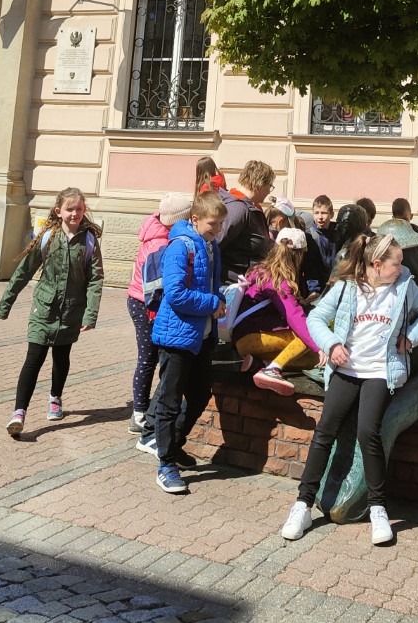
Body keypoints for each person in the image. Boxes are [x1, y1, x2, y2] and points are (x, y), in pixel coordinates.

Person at [280, 231, 418, 547]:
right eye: (396, 263)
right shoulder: (346, 287)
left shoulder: (404, 286)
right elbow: (316, 318)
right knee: (324, 431)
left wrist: (411, 338)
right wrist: (331, 343)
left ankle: (378, 509)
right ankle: (302, 505)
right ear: (377, 264)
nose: (401, 268)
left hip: (380, 372)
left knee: (369, 432)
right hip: (347, 370)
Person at [0, 188, 104, 438]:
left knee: (61, 357)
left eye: (79, 209)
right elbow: (24, 271)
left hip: (71, 311)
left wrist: (90, 314)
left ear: (84, 211)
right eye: (69, 209)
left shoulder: (89, 240)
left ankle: (55, 397)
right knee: (33, 359)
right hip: (43, 309)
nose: (75, 213)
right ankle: (19, 413)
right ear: (59, 211)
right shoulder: (48, 236)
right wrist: (6, 302)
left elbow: (95, 279)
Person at [145, 191, 227, 494]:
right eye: (213, 224)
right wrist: (212, 304)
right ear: (195, 219)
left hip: (202, 336)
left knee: (200, 394)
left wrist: (220, 298)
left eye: (220, 224)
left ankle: (173, 444)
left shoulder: (211, 246)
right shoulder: (180, 246)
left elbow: (210, 285)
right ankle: (165, 465)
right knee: (169, 401)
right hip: (176, 337)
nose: (217, 229)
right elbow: (176, 294)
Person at [125, 191, 192, 433]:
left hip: (141, 301)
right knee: (148, 358)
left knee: (151, 357)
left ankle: (147, 409)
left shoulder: (160, 233)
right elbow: (156, 285)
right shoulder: (161, 243)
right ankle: (139, 413)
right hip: (144, 303)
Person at [233, 227, 323, 393]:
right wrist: (320, 347)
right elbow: (295, 317)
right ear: (299, 255)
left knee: (312, 359)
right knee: (307, 336)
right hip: (253, 337)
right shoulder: (279, 281)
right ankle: (272, 369)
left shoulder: (259, 270)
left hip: (241, 337)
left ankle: (260, 364)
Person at [220, 160, 275, 281]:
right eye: (269, 186)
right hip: (231, 283)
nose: (269, 191)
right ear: (260, 184)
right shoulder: (237, 209)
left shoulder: (247, 206)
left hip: (243, 281)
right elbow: (216, 243)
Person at [302, 194, 336, 296]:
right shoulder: (309, 236)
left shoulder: (338, 234)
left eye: (324, 213)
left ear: (332, 214)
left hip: (335, 285)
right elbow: (309, 266)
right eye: (316, 213)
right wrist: (314, 289)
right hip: (316, 287)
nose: (320, 217)